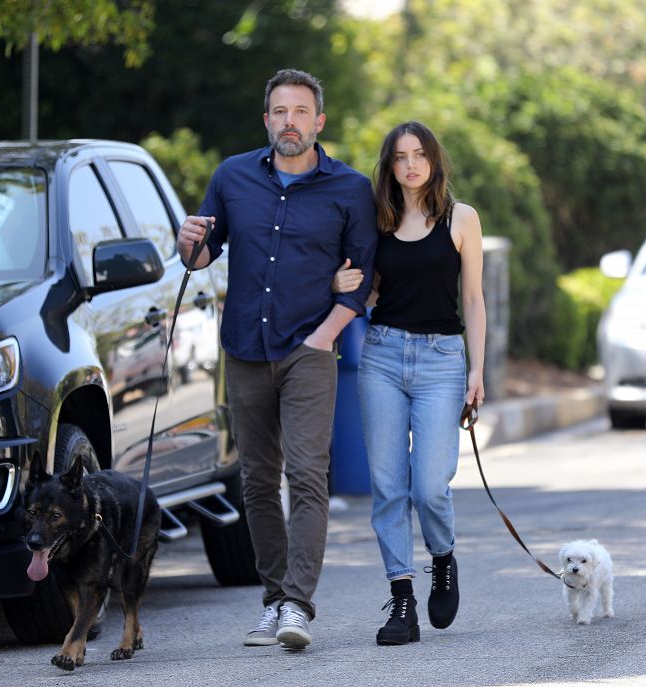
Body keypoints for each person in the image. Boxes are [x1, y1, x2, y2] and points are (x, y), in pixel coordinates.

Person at [178, 68, 377, 650]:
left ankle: (298, 606)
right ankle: (273, 600)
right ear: (266, 120)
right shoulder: (232, 177)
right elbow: (201, 256)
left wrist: (325, 336)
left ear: (319, 122)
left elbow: (360, 282)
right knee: (258, 482)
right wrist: (186, 240)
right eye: (279, 112)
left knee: (308, 476)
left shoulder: (350, 189)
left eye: (300, 112)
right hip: (243, 349)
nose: (289, 122)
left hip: (309, 349)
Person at [334, 120, 486, 645]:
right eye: (400, 157)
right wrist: (340, 284)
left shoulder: (461, 218)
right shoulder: (378, 219)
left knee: (429, 486)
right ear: (390, 166)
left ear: (434, 160)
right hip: (382, 355)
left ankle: (442, 558)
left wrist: (478, 370)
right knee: (387, 486)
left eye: (419, 154)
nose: (411, 164)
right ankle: (402, 600)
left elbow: (473, 300)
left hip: (443, 360)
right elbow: (368, 292)